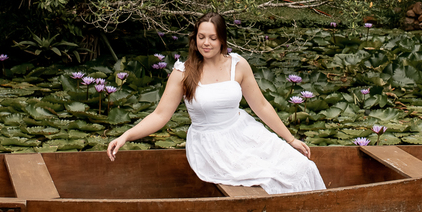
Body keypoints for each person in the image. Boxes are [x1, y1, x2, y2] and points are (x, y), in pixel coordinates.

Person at [106, 13, 325, 194]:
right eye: (201, 37)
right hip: (211, 144)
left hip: (245, 133)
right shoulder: (183, 72)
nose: (206, 43)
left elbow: (261, 106)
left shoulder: (238, 65)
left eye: (212, 37)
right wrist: (126, 136)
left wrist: (291, 139)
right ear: (195, 39)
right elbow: (160, 115)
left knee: (302, 167)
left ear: (222, 40)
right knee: (264, 181)